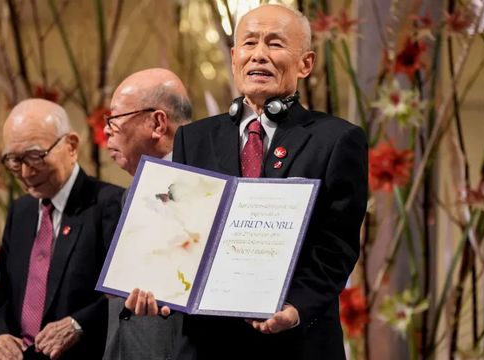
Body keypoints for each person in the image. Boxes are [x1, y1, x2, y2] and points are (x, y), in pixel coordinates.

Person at [125, 4, 368, 360]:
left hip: (297, 342)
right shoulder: (194, 138)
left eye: (275, 44)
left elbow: (336, 247)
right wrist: (159, 289)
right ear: (235, 56)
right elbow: (179, 234)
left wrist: (295, 307)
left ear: (306, 63)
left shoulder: (336, 139)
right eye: (249, 43)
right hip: (207, 343)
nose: (259, 55)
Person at [0, 98, 124, 360]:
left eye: (36, 156)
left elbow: (121, 296)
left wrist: (77, 325)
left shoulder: (109, 204)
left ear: (71, 146)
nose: (25, 172)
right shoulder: (22, 211)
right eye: (14, 160)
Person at [102, 68, 192, 360]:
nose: (106, 130)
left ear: (157, 123)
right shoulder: (132, 191)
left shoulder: (203, 189)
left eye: (114, 119)